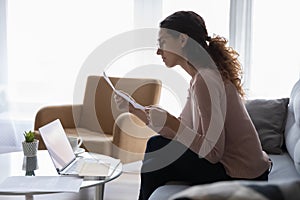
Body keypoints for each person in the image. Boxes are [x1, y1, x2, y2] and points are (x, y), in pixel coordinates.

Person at [114, 11, 272, 200]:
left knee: (157, 149)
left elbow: (213, 153)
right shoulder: (199, 77)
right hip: (231, 169)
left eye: (162, 42)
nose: (158, 51)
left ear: (182, 40)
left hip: (242, 175)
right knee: (157, 145)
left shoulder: (206, 80)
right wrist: (134, 111)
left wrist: (172, 123)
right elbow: (182, 128)